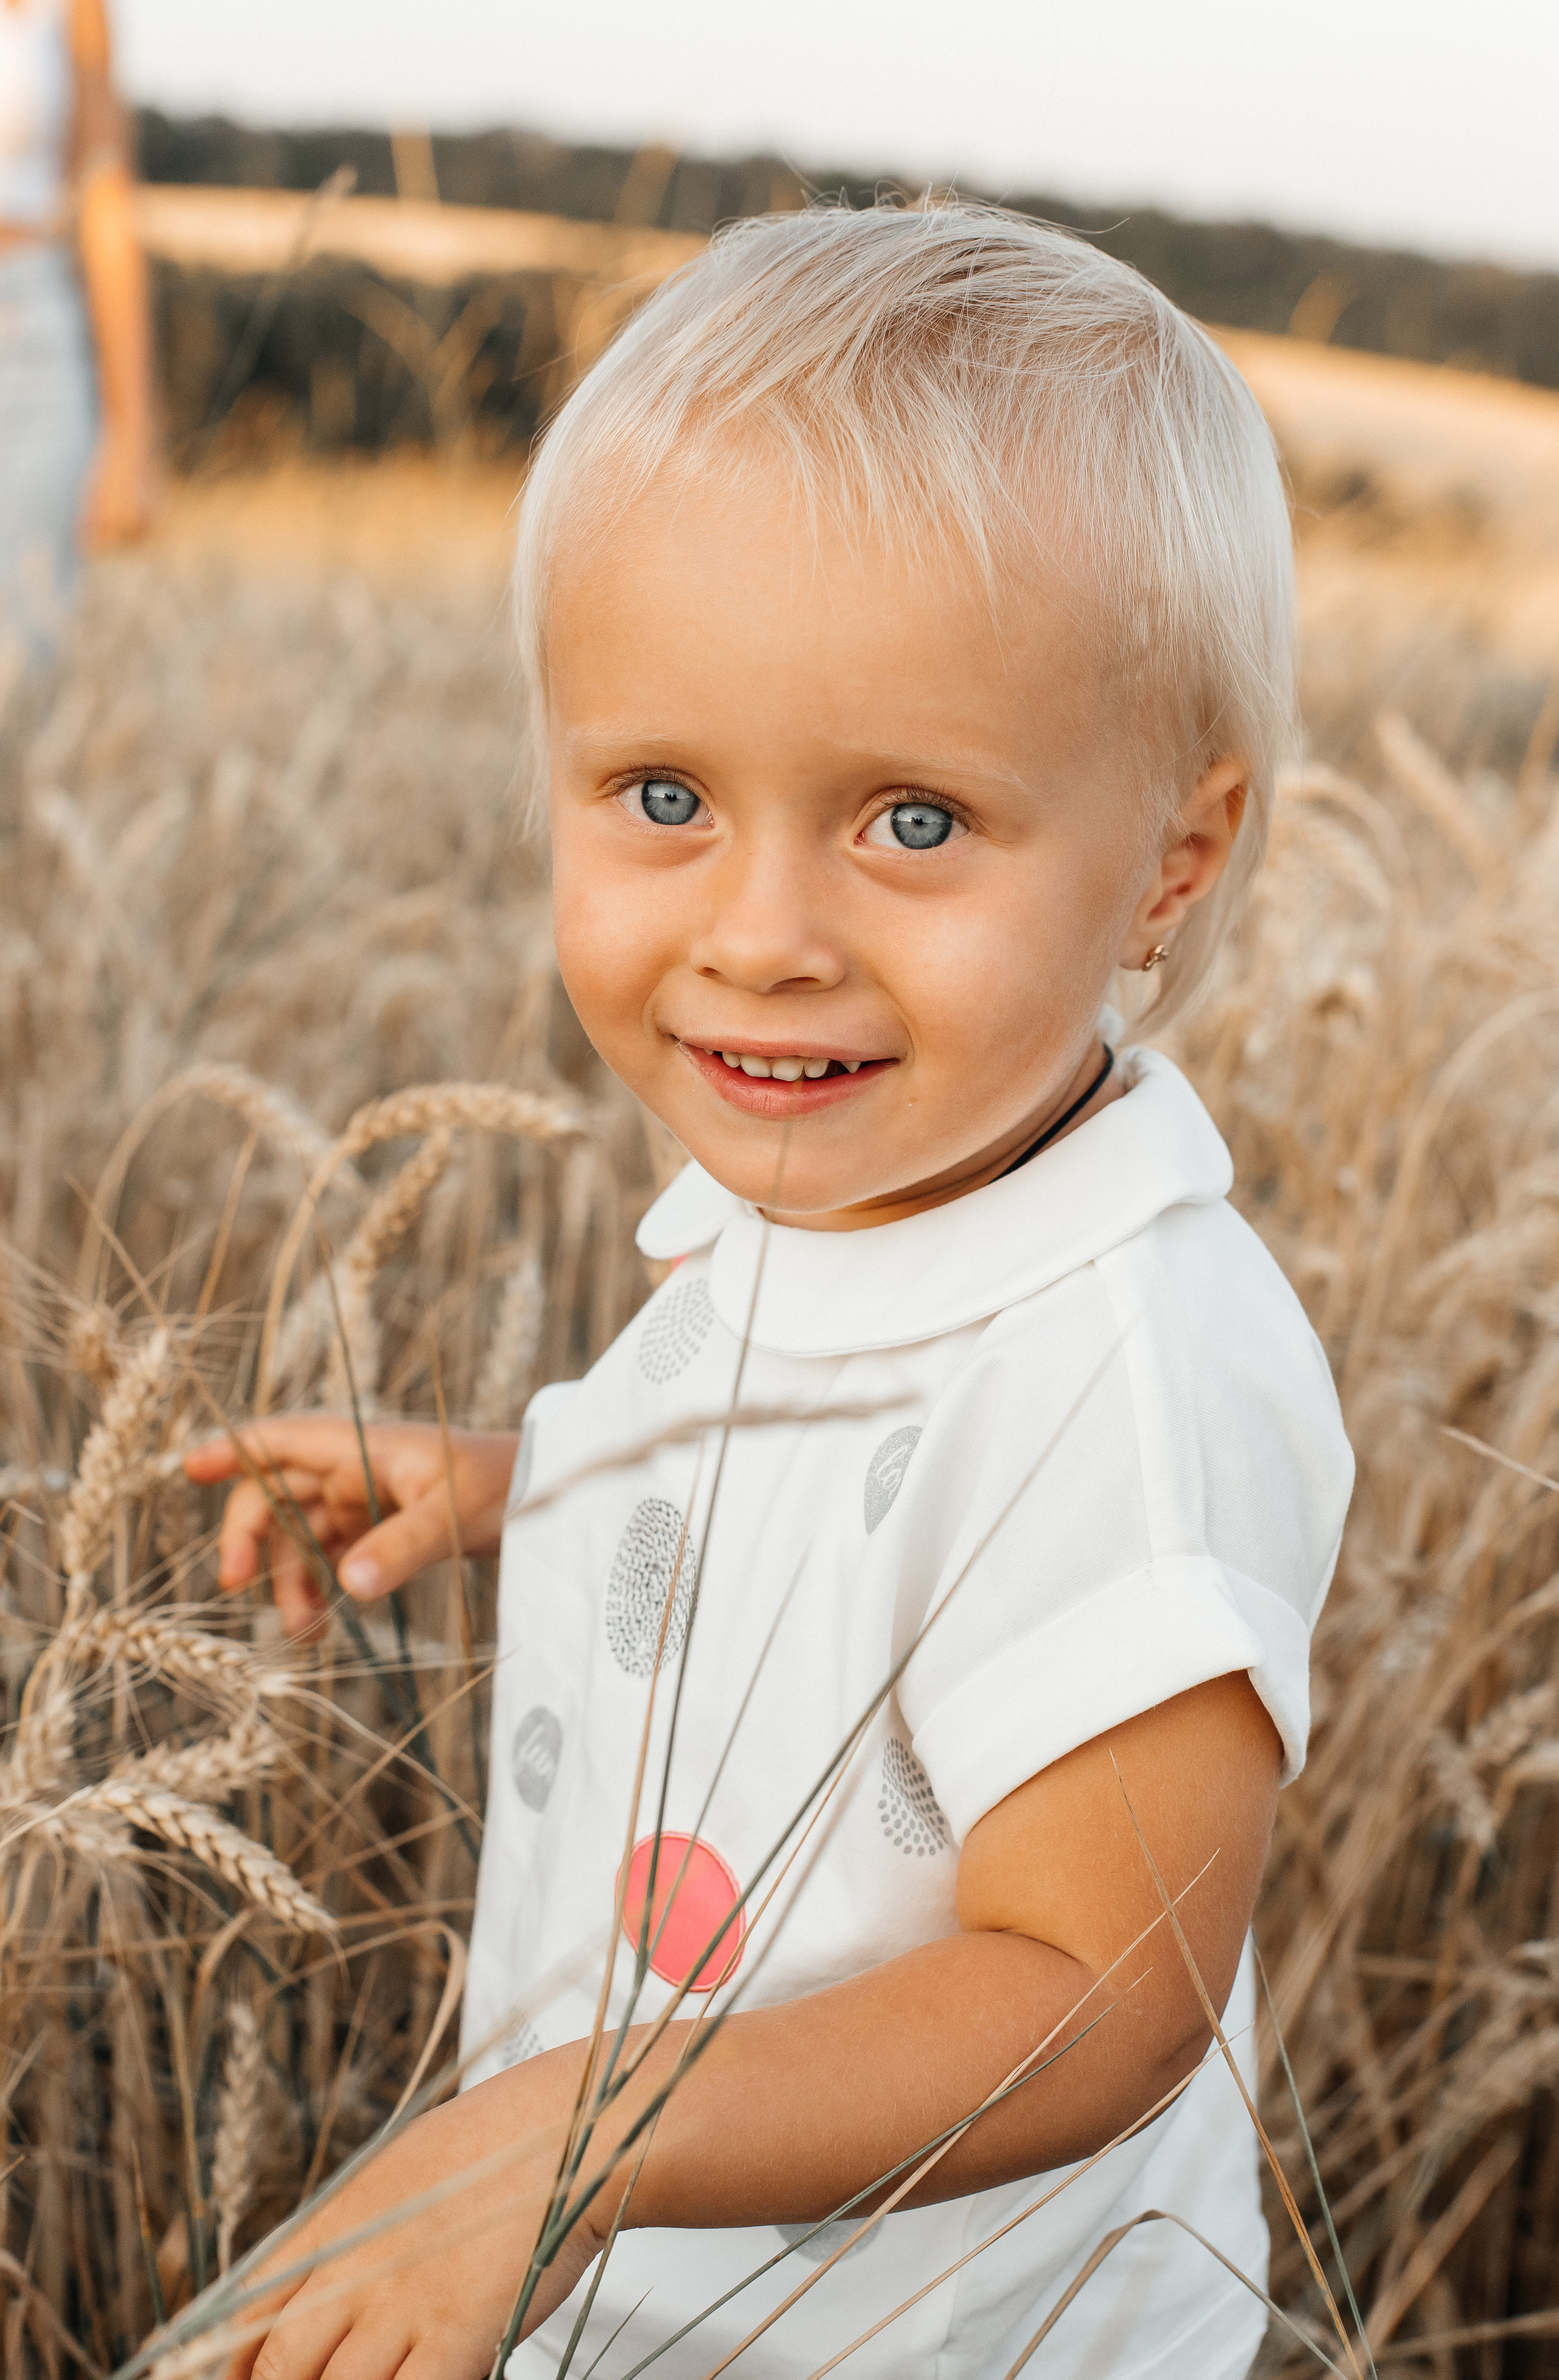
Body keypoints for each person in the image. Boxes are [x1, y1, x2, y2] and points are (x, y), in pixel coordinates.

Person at [188, 202, 1354, 2380]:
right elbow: (819, 1498)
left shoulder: (1124, 1370)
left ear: (1168, 861)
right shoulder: (817, 1188)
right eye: (661, 797)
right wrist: (523, 1476)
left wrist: (561, 2134)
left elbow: (1090, 1992)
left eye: (909, 822)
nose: (759, 933)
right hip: (657, 2289)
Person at [0, 0, 153, 652]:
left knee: (21, 652)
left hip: (36, 333)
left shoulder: (75, 9)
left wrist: (133, 436)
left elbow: (106, 203)